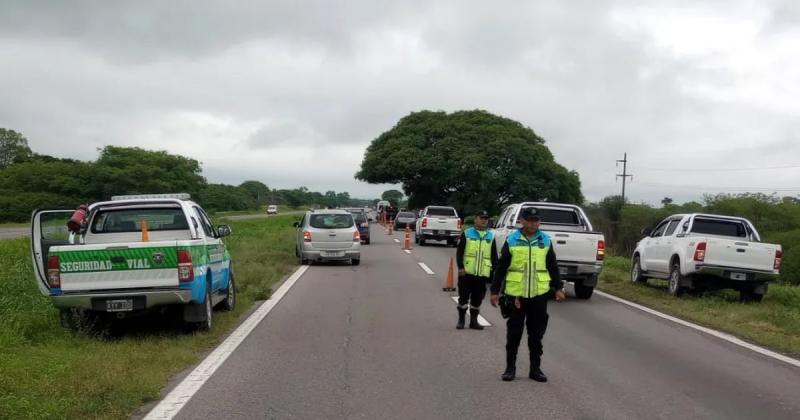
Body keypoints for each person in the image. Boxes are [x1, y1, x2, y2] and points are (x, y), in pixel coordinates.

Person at [490, 207, 565, 382]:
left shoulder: (545, 240)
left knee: (536, 336)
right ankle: (510, 369)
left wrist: (559, 288)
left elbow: (552, 266)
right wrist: (495, 291)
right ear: (522, 221)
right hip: (516, 295)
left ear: (539, 222)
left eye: (536, 220)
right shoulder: (512, 239)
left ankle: (535, 369)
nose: (533, 223)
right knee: (514, 335)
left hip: (539, 295)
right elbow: (501, 267)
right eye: (529, 220)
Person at [455, 210, 497, 330]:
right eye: (481, 218)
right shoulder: (467, 233)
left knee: (477, 299)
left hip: (482, 274)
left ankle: (474, 322)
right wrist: (461, 267)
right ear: (475, 219)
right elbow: (459, 252)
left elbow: (494, 256)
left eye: (486, 218)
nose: (484, 220)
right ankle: (461, 320)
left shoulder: (491, 236)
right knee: (463, 298)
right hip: (467, 273)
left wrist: (495, 272)